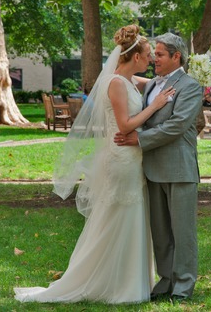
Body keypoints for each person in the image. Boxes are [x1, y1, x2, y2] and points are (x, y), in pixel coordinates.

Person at [14, 25, 175, 303]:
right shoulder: (114, 84)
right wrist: (154, 106)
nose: (150, 59)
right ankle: (113, 285)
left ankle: (129, 282)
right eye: (148, 54)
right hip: (122, 157)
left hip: (132, 158)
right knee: (120, 217)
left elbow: (152, 84)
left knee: (132, 217)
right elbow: (124, 126)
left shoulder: (129, 80)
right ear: (135, 56)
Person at [114, 32, 202, 302]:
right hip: (151, 168)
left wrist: (139, 139)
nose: (155, 60)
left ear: (177, 57)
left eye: (161, 55)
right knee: (161, 231)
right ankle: (165, 280)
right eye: (155, 54)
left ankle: (183, 285)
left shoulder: (190, 86)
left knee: (182, 231)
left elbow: (177, 125)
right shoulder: (152, 84)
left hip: (179, 168)